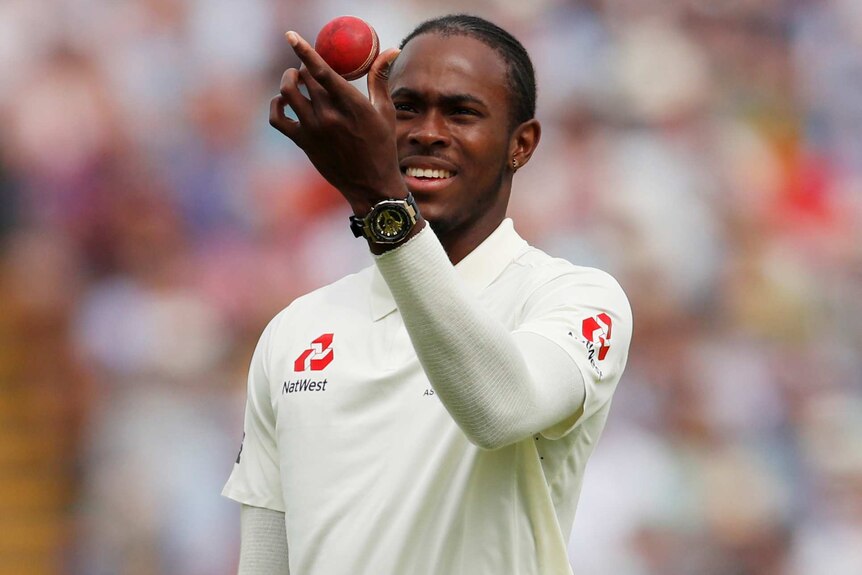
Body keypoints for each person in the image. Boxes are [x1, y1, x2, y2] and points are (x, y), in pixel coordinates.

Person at [222, 14, 632, 575]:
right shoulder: (294, 330)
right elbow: (266, 560)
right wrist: (384, 205)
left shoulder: (575, 298)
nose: (428, 132)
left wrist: (381, 203)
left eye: (461, 112)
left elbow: (500, 410)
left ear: (522, 145)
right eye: (407, 107)